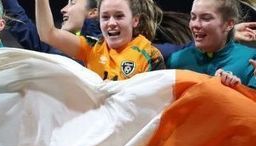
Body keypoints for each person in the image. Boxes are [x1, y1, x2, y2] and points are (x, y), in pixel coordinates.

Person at [35, 0, 165, 80]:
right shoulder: (91, 48)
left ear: (135, 20)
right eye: (105, 17)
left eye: (119, 16)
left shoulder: (150, 55)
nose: (111, 23)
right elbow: (48, 33)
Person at [167, 0, 256, 88]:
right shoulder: (175, 61)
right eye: (193, 17)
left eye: (206, 18)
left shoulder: (251, 59)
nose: (195, 25)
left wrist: (238, 90)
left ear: (229, 24)